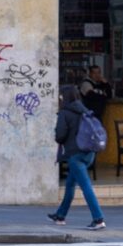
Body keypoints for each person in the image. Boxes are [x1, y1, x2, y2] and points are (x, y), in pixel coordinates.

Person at [48, 86, 107, 230]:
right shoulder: (85, 110)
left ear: (65, 97)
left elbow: (60, 135)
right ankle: (60, 215)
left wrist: (59, 135)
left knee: (86, 187)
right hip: (89, 153)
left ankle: (98, 219)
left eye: (61, 96)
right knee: (69, 185)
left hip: (75, 155)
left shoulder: (65, 113)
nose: (59, 98)